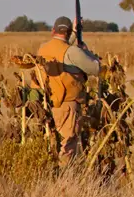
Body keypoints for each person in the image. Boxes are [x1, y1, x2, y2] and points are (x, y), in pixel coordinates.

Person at [36, 16, 102, 164]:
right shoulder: (73, 52)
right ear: (67, 33)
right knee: (67, 145)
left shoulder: (43, 48)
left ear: (53, 31)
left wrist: (74, 32)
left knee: (52, 143)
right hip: (68, 105)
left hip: (47, 104)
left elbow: (63, 50)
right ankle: (63, 180)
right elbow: (96, 68)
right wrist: (85, 50)